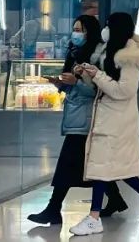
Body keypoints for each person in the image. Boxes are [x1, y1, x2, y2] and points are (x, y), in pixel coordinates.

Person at [69, 12, 139, 236]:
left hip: (118, 120)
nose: (105, 30)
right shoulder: (108, 51)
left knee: (102, 167)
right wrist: (86, 74)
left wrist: (98, 76)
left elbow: (124, 90)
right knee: (114, 167)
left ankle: (94, 218)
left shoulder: (128, 58)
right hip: (106, 116)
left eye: (108, 25)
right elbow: (101, 84)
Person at [28, 15, 125, 225]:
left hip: (88, 118)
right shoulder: (75, 52)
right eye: (74, 29)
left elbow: (100, 90)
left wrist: (77, 83)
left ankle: (54, 208)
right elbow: (75, 87)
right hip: (76, 115)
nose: (76, 33)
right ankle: (116, 199)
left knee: (68, 164)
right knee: (91, 164)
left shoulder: (99, 55)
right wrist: (61, 84)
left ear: (90, 31)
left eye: (80, 29)